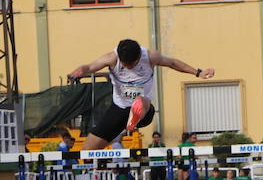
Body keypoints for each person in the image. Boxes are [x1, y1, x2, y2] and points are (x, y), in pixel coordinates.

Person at [66, 39, 214, 151]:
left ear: (138, 57)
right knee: (87, 150)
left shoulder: (150, 56)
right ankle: (92, 173)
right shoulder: (111, 58)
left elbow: (173, 63)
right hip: (119, 109)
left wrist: (198, 72)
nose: (129, 67)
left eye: (132, 64)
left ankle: (133, 120)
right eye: (125, 65)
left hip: (144, 110)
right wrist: (79, 71)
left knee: (140, 100)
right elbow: (89, 67)